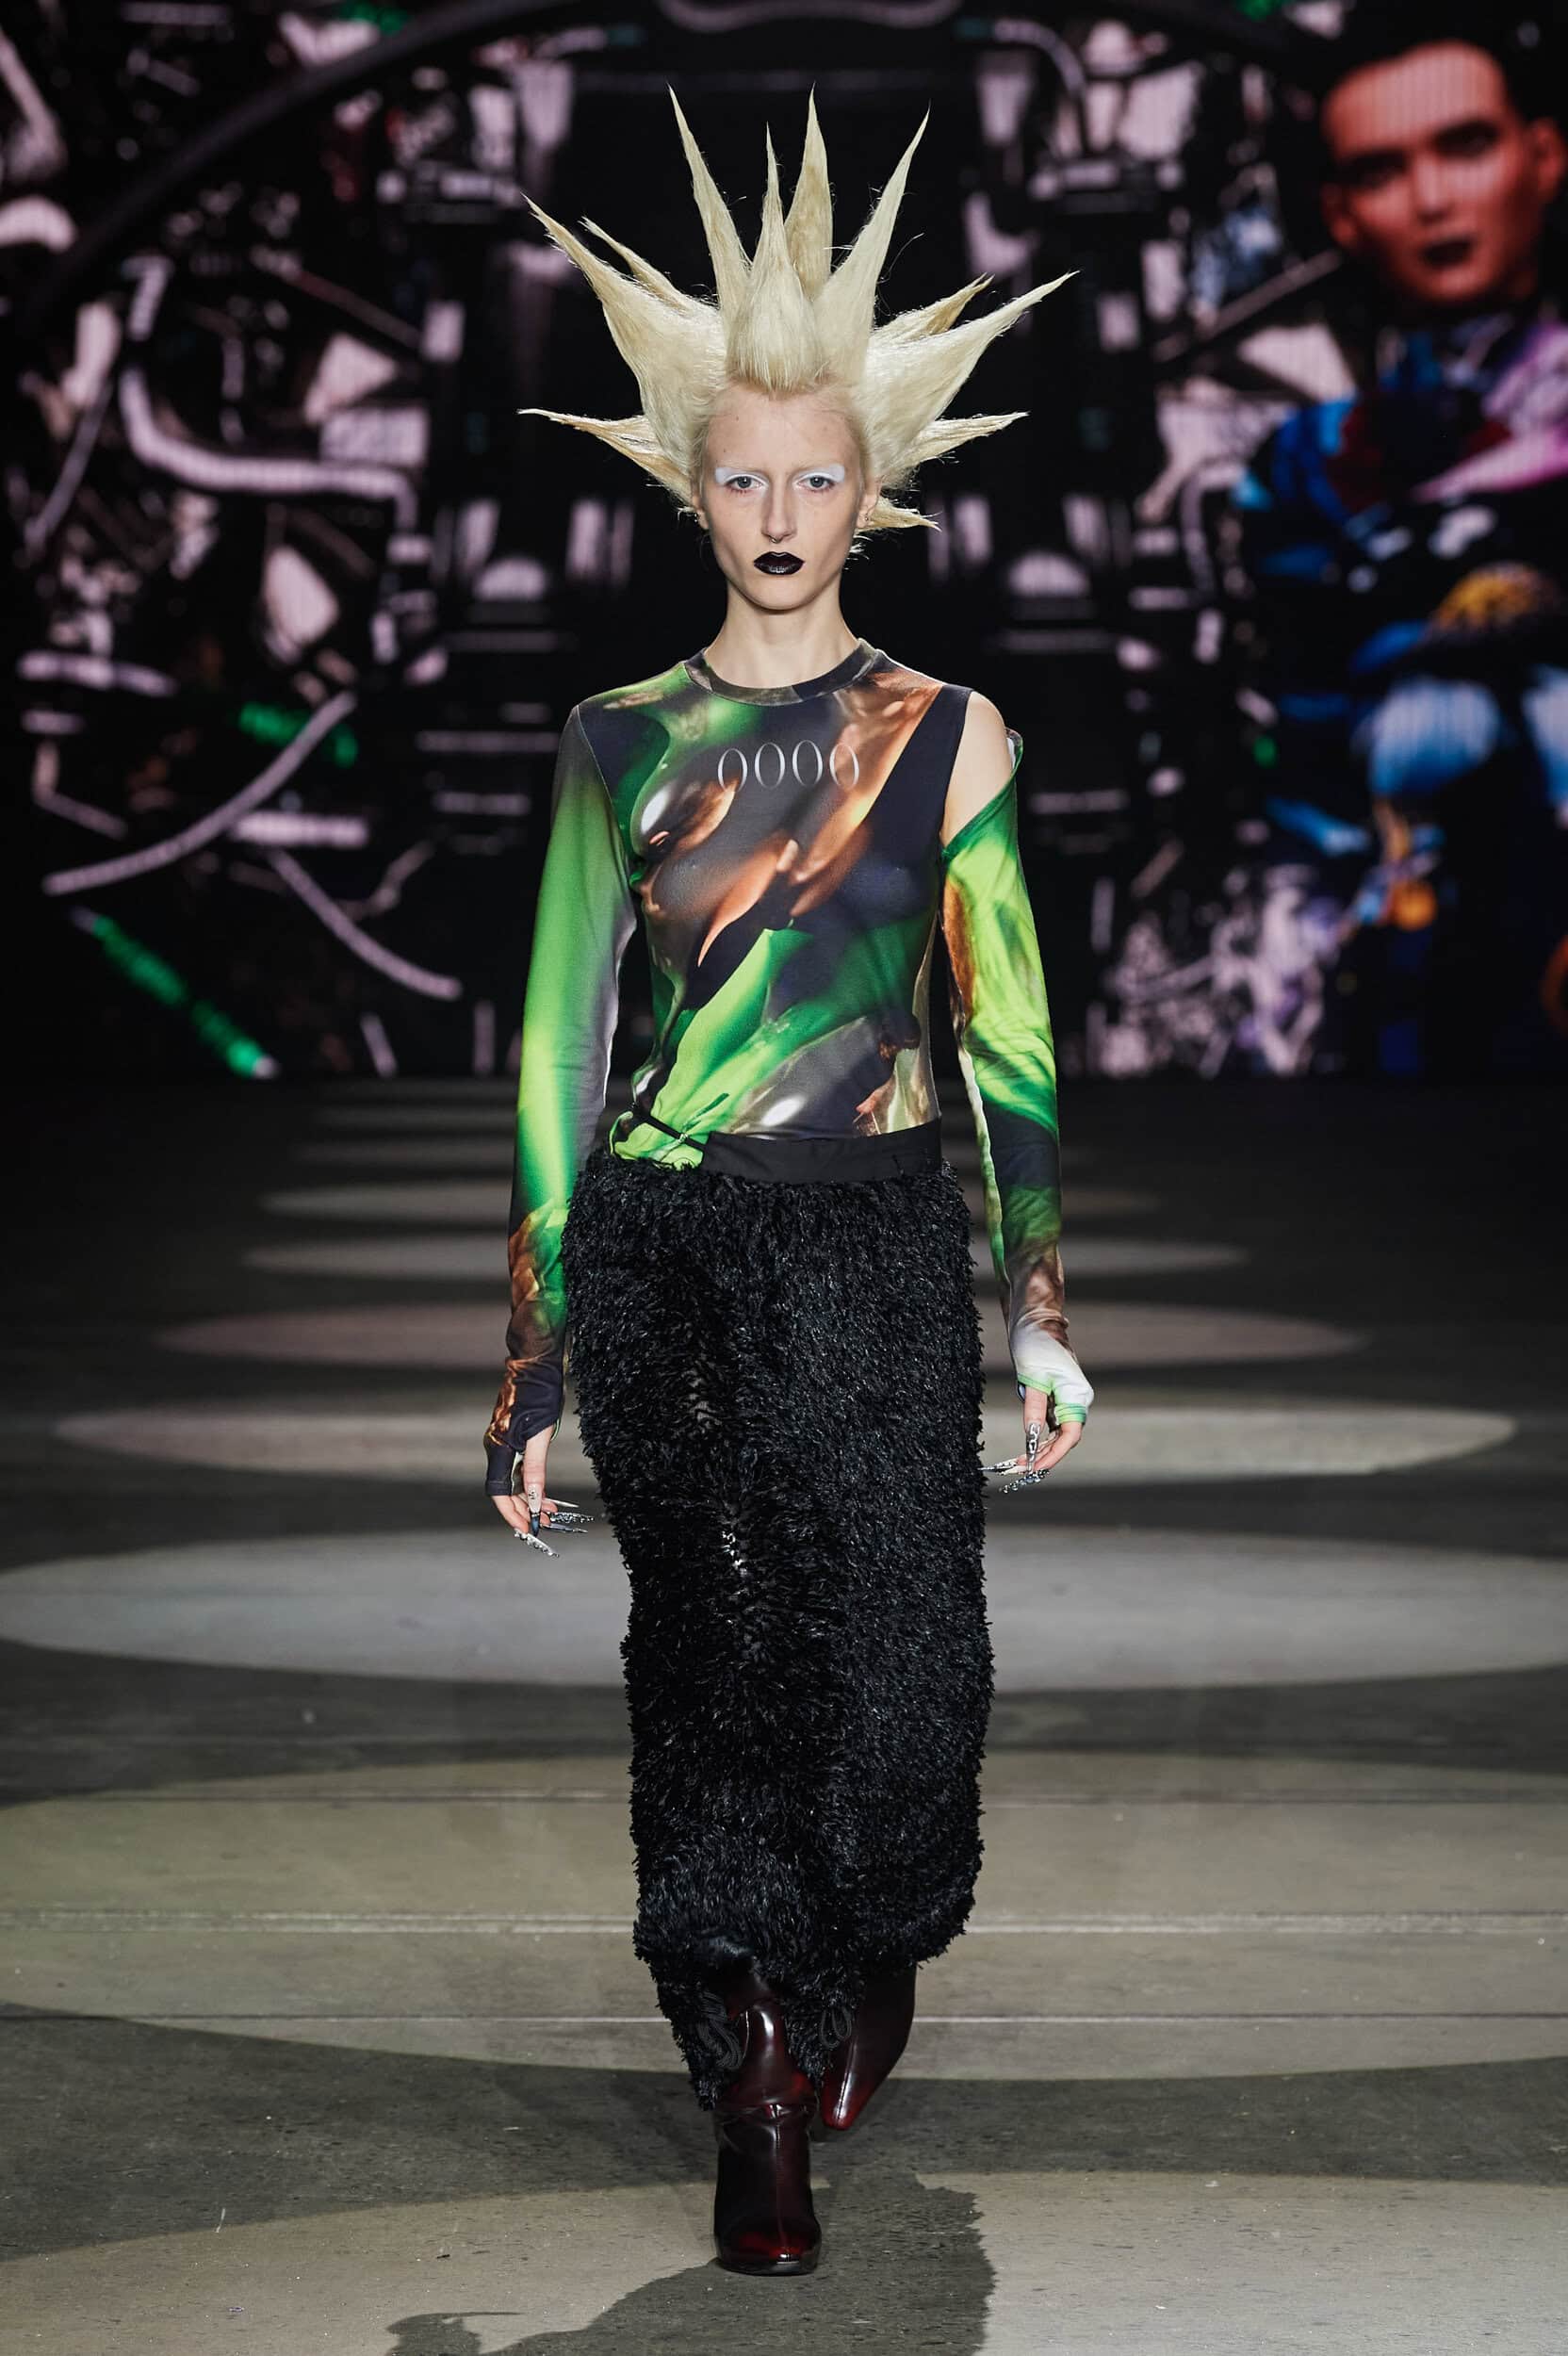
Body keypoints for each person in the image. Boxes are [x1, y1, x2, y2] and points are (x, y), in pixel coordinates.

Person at [482, 87, 1093, 2277]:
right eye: (736, 474)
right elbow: (557, 1049)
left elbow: (1006, 1036)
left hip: (873, 1232)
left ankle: (867, 1924)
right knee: (715, 1650)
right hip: (672, 1236)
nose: (772, 509)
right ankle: (747, 2059)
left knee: (903, 1664)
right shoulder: (616, 743)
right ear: (688, 487)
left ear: (869, 491)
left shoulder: (950, 734)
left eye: (810, 474)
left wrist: (1039, 1306)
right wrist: (534, 1358)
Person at [1233, 15, 1568, 1071]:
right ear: (1339, 213)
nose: (1430, 200)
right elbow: (1305, 752)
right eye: (1381, 171)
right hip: (1408, 995)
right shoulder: (1306, 464)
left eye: (1464, 146)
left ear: (1543, 156)